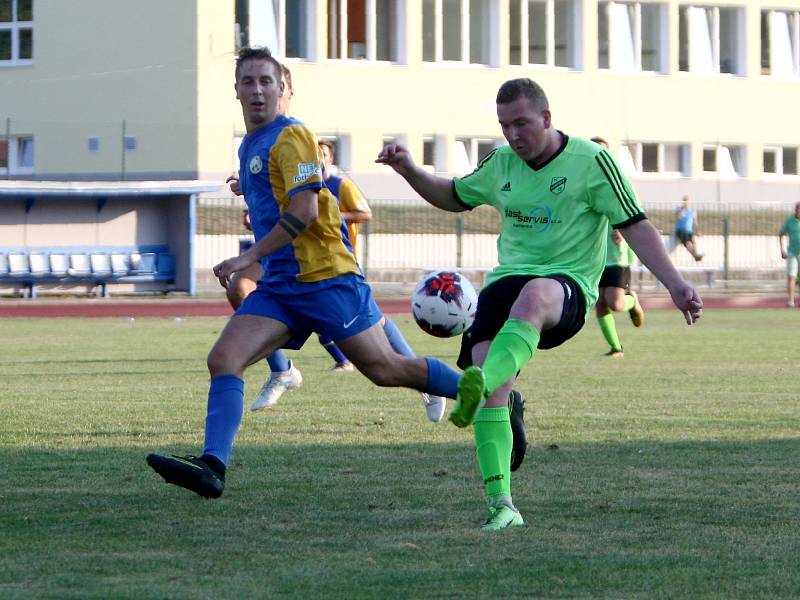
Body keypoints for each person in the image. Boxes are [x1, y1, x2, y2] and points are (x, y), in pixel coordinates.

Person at [377, 78, 703, 531]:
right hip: (505, 283)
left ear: (547, 119)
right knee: (493, 393)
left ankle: (482, 384)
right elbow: (453, 195)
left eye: (522, 123)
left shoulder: (591, 161)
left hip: (564, 287)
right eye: (504, 125)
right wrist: (409, 169)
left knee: (531, 301)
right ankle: (503, 507)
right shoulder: (502, 163)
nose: (513, 135)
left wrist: (675, 282)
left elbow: (636, 224)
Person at [145, 47, 462, 500]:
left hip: (327, 278)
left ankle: (490, 394)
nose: (257, 89)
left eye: (266, 81)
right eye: (248, 81)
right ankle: (212, 466)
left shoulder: (292, 137)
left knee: (386, 369)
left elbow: (305, 211)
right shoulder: (250, 143)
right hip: (282, 286)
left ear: (283, 90)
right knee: (224, 360)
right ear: (235, 90)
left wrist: (244, 257)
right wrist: (257, 262)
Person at [590, 137, 644, 357]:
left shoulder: (618, 182)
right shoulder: (582, 181)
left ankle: (633, 302)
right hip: (594, 256)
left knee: (615, 303)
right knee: (600, 304)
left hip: (615, 255)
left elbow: (634, 212)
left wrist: (622, 227)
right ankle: (616, 348)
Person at [779, 201, 800, 307]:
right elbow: (781, 233)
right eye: (798, 209)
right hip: (792, 252)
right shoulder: (789, 221)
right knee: (791, 277)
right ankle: (791, 301)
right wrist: (782, 250)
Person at [674, 195, 704, 261]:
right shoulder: (679, 209)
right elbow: (678, 217)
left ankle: (696, 256)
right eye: (684, 201)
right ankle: (695, 256)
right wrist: (683, 210)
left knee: (693, 243)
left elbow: (695, 222)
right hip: (681, 230)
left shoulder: (692, 210)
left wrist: (698, 231)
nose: (685, 202)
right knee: (688, 243)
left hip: (689, 231)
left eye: (686, 201)